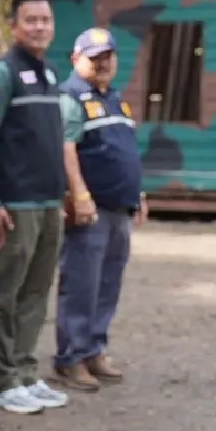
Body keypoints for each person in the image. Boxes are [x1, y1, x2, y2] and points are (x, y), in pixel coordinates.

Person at [0, 0, 70, 415]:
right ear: (14, 25)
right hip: (16, 204)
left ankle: (25, 373)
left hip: (50, 203)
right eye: (30, 20)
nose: (39, 27)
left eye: (45, 20)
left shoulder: (49, 73)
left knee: (35, 291)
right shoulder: (2, 72)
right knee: (5, 292)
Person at [53, 27, 144, 390]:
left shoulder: (116, 98)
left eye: (108, 56)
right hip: (91, 208)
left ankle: (94, 349)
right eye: (95, 58)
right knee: (81, 283)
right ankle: (71, 357)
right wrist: (79, 195)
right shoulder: (71, 97)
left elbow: (125, 152)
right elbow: (66, 148)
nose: (103, 63)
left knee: (108, 282)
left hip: (120, 208)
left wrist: (139, 195)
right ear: (76, 60)